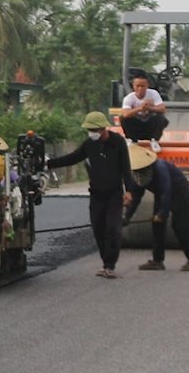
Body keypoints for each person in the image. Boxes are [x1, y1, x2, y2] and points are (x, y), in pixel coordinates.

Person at [46, 111, 134, 278]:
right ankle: (105, 262)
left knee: (113, 229)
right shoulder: (89, 145)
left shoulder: (118, 142)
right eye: (90, 130)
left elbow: (125, 168)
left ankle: (110, 265)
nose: (91, 133)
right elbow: (72, 158)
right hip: (96, 194)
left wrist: (128, 190)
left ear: (102, 128)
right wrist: (48, 164)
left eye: (94, 130)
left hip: (114, 193)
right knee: (98, 228)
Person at [123, 143, 189, 270]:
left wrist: (162, 214)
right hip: (161, 194)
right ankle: (157, 261)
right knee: (157, 226)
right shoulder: (137, 174)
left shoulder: (160, 167)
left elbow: (166, 191)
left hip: (179, 192)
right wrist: (126, 217)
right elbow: (136, 197)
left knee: (180, 226)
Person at [115, 72, 169, 143]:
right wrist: (139, 108)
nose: (140, 88)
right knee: (123, 118)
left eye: (142, 86)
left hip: (150, 124)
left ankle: (154, 140)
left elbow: (162, 109)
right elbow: (125, 114)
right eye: (138, 86)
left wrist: (150, 108)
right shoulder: (128, 98)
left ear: (147, 86)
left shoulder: (154, 94)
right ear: (133, 86)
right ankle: (131, 140)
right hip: (136, 124)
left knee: (160, 117)